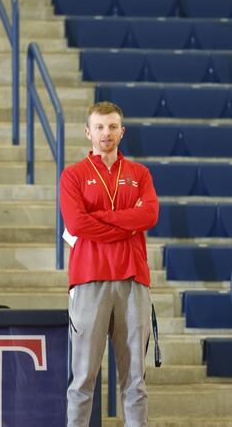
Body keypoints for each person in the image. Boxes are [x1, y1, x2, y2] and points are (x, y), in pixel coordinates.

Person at [60, 101, 159, 426]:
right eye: (100, 127)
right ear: (88, 131)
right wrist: (125, 225)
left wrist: (100, 219)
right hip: (89, 280)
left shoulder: (140, 173)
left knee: (135, 380)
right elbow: (76, 224)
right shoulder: (73, 175)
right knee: (83, 378)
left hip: (134, 281)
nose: (106, 133)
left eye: (113, 126)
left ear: (122, 131)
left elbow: (150, 215)